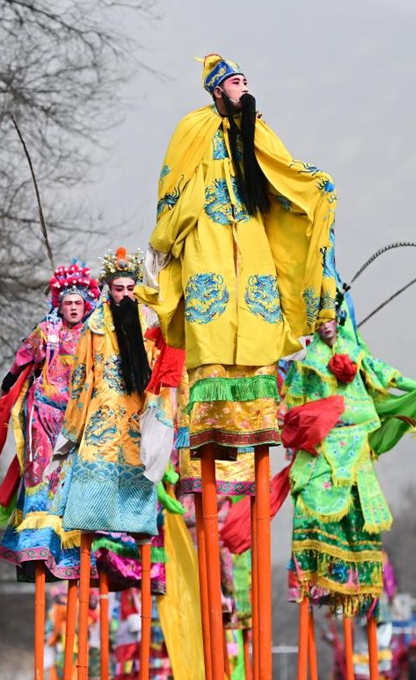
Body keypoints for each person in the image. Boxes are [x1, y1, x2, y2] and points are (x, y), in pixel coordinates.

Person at [137, 54, 338, 456]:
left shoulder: (256, 128)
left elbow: (283, 171)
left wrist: (316, 188)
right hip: (204, 237)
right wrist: (167, 238)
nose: (243, 87)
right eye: (235, 82)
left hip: (250, 236)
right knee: (210, 320)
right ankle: (212, 421)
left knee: (257, 315)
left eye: (245, 81)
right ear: (217, 90)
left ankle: (257, 418)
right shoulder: (192, 128)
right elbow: (172, 185)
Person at [285, 311, 416, 615]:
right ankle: (318, 578)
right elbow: (293, 403)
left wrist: (413, 387)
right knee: (309, 505)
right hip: (322, 446)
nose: (325, 327)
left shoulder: (356, 353)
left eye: (330, 320)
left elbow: (384, 373)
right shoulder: (307, 363)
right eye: (319, 321)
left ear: (338, 322)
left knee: (359, 515)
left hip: (355, 445)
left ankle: (354, 583)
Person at [51, 247, 180, 536]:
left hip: (141, 409)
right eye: (118, 288)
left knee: (140, 467)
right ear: (109, 289)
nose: (125, 294)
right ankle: (89, 526)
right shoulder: (95, 325)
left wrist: (162, 417)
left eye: (131, 288)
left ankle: (138, 529)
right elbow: (81, 378)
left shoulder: (151, 321)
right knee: (96, 466)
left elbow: (162, 371)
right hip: (102, 413)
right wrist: (73, 428)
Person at [0, 261, 100, 580]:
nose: (74, 308)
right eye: (68, 303)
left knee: (71, 478)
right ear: (59, 305)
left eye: (79, 303)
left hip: (78, 418)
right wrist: (11, 379)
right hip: (46, 413)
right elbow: (25, 355)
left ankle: (73, 540)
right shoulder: (48, 330)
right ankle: (36, 538)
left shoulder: (94, 332)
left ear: (86, 304)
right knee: (39, 473)